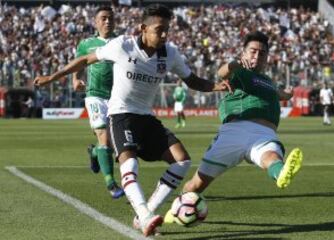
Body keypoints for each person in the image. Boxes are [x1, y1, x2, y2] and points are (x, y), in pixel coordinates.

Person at [33, 4, 231, 236]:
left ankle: (144, 215)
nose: (164, 35)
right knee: (130, 164)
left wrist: (216, 86)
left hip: (146, 117)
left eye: (167, 30)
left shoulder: (170, 53)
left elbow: (192, 80)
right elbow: (86, 59)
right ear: (143, 28)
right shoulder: (122, 45)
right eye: (159, 30)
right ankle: (146, 215)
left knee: (182, 161)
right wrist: (52, 77)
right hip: (120, 115)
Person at [164, 31, 303, 223]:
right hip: (235, 130)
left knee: (272, 157)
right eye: (253, 51)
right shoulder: (241, 72)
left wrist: (286, 94)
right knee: (196, 184)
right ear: (244, 53)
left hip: (264, 134)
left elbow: (277, 92)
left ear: (267, 58)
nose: (257, 56)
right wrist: (235, 64)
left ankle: (280, 174)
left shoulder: (268, 82)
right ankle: (175, 211)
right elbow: (222, 72)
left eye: (262, 53)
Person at [72, 6, 124, 199]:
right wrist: (76, 79)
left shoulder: (122, 42)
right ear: (96, 22)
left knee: (110, 143)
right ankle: (111, 183)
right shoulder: (87, 43)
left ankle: (95, 153)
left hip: (117, 97)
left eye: (110, 18)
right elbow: (79, 63)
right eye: (103, 18)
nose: (108, 21)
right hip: (94, 95)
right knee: (104, 137)